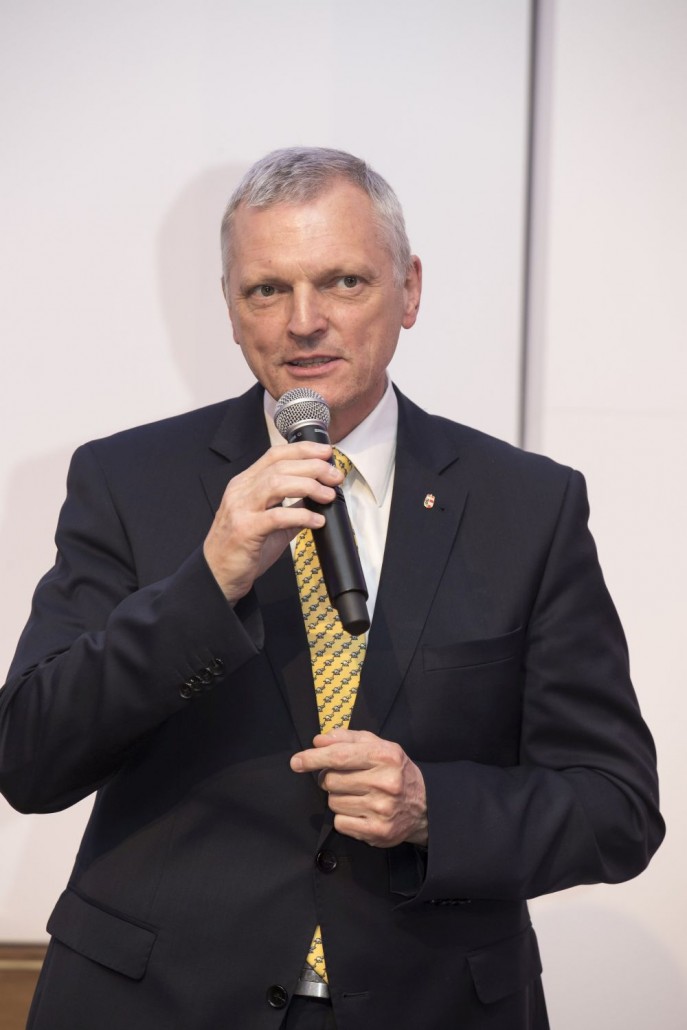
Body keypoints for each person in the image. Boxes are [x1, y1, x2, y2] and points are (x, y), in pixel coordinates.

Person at [0, 147, 663, 1030]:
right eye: (266, 290)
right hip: (157, 1002)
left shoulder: (527, 505)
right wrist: (208, 582)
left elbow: (615, 807)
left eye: (343, 282)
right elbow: (30, 758)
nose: (303, 322)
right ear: (230, 307)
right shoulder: (128, 481)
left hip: (428, 1005)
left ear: (408, 290)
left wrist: (434, 809)